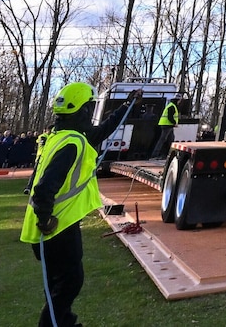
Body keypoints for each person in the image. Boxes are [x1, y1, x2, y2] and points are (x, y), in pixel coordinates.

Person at [22, 82, 138, 327]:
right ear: (83, 110)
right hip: (55, 226)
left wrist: (126, 105)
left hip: (54, 224)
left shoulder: (63, 136)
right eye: (90, 107)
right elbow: (44, 188)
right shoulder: (72, 144)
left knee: (58, 284)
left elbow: (100, 132)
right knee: (70, 282)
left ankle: (66, 323)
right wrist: (45, 219)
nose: (92, 112)